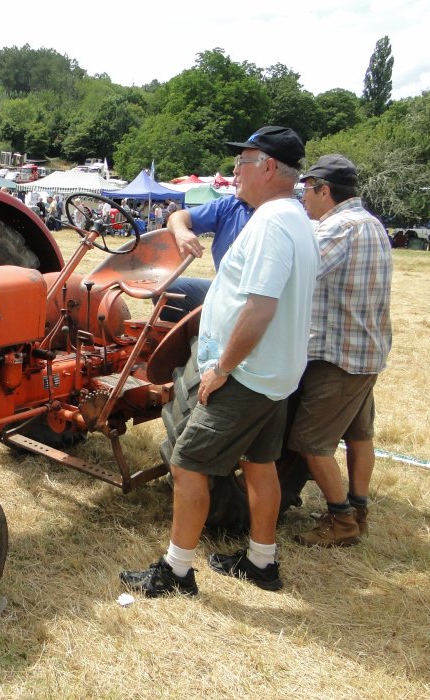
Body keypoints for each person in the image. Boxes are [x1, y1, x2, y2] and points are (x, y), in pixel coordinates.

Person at [120, 126, 318, 596]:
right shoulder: (297, 219)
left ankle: (177, 572)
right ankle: (261, 563)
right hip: (277, 372)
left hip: (248, 373)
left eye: (243, 164)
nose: (235, 173)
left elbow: (260, 308)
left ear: (269, 167)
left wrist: (221, 369)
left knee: (188, 463)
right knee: (259, 462)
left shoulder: (270, 224)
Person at [287, 155, 392, 546]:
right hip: (367, 351)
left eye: (306, 190)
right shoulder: (371, 223)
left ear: (324, 189)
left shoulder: (337, 228)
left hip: (338, 356)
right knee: (359, 434)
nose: (303, 199)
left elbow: (298, 273)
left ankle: (342, 522)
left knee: (310, 445)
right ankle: (358, 509)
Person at [161, 194, 255, 321]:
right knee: (166, 289)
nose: (234, 180)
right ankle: (193, 334)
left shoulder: (277, 215)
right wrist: (181, 231)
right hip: (223, 288)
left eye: (242, 173)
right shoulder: (229, 205)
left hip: (256, 296)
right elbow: (177, 217)